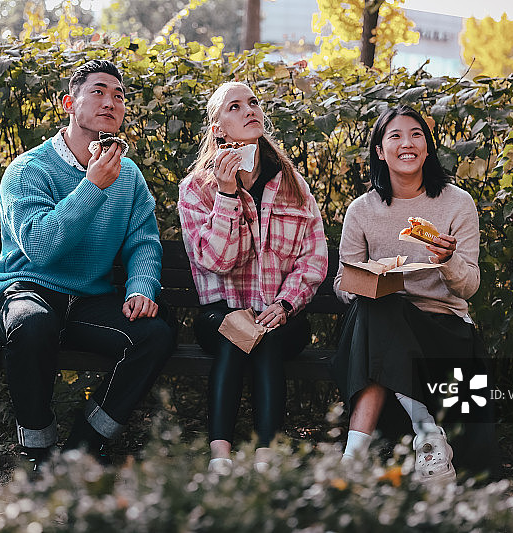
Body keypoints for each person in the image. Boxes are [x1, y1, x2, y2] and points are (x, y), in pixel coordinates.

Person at [0, 59, 173, 469]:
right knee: (31, 324)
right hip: (26, 289)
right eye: (99, 92)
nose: (111, 102)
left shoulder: (129, 176)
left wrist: (141, 286)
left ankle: (83, 446)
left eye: (118, 96)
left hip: (87, 300)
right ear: (69, 103)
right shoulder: (28, 170)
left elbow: (143, 240)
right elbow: (41, 246)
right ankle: (39, 450)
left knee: (155, 334)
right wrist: (91, 187)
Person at [331, 105, 494, 484]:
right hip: (380, 325)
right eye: (396, 136)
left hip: (443, 326)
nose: (407, 143)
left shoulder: (456, 203)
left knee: (379, 316)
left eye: (416, 134)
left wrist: (447, 260)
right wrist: (369, 282)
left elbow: (468, 287)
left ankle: (352, 459)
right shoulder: (362, 210)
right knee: (379, 306)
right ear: (379, 150)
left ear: (427, 146)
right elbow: (342, 285)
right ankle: (429, 437)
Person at [178, 81, 328, 473]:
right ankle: (221, 459)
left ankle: (265, 458)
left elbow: (314, 258)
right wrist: (227, 197)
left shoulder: (293, 185)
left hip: (281, 314)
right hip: (220, 313)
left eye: (253, 103)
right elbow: (217, 260)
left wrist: (285, 303)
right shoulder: (197, 189)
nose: (249, 110)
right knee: (235, 332)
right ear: (218, 130)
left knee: (266, 336)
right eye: (235, 106)